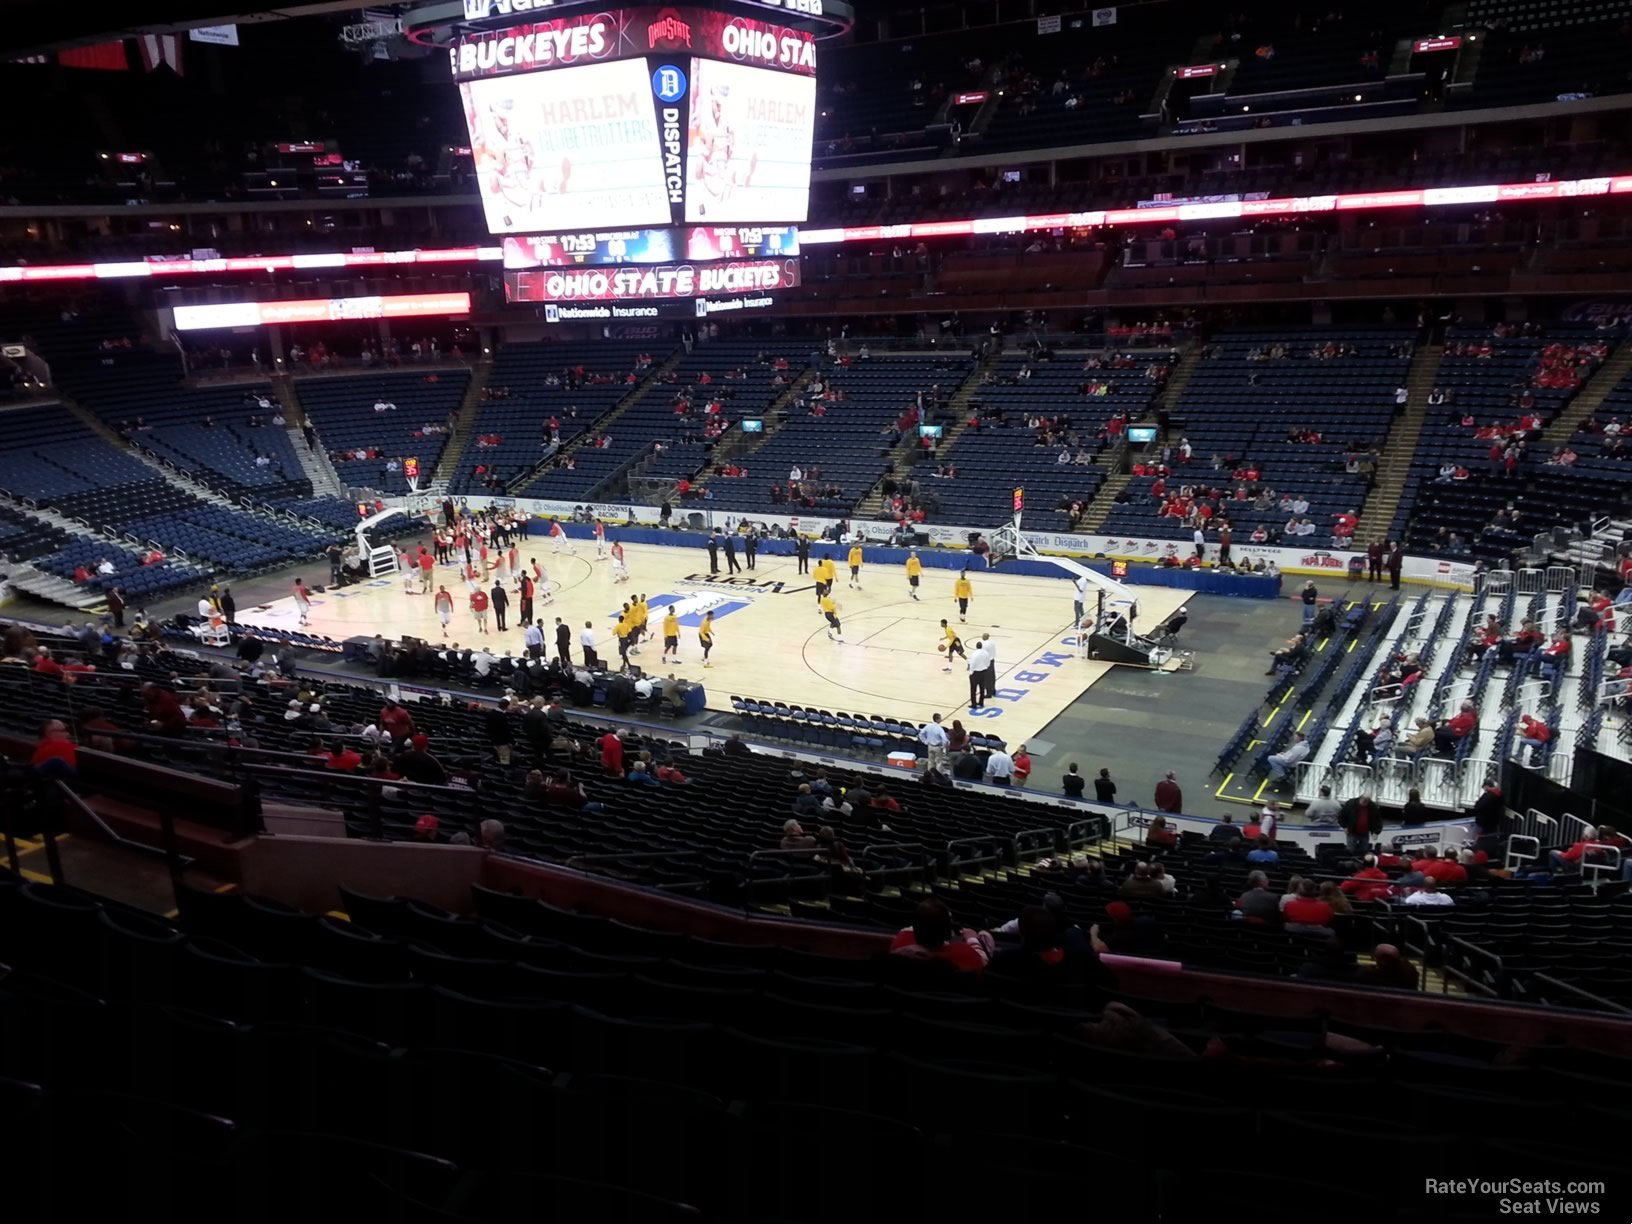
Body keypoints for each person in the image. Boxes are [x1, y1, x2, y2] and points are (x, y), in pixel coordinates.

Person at [889, 899, 992, 972]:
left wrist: (925, 920)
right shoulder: (962, 953)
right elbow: (983, 965)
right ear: (947, 932)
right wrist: (972, 939)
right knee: (985, 936)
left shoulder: (900, 944)